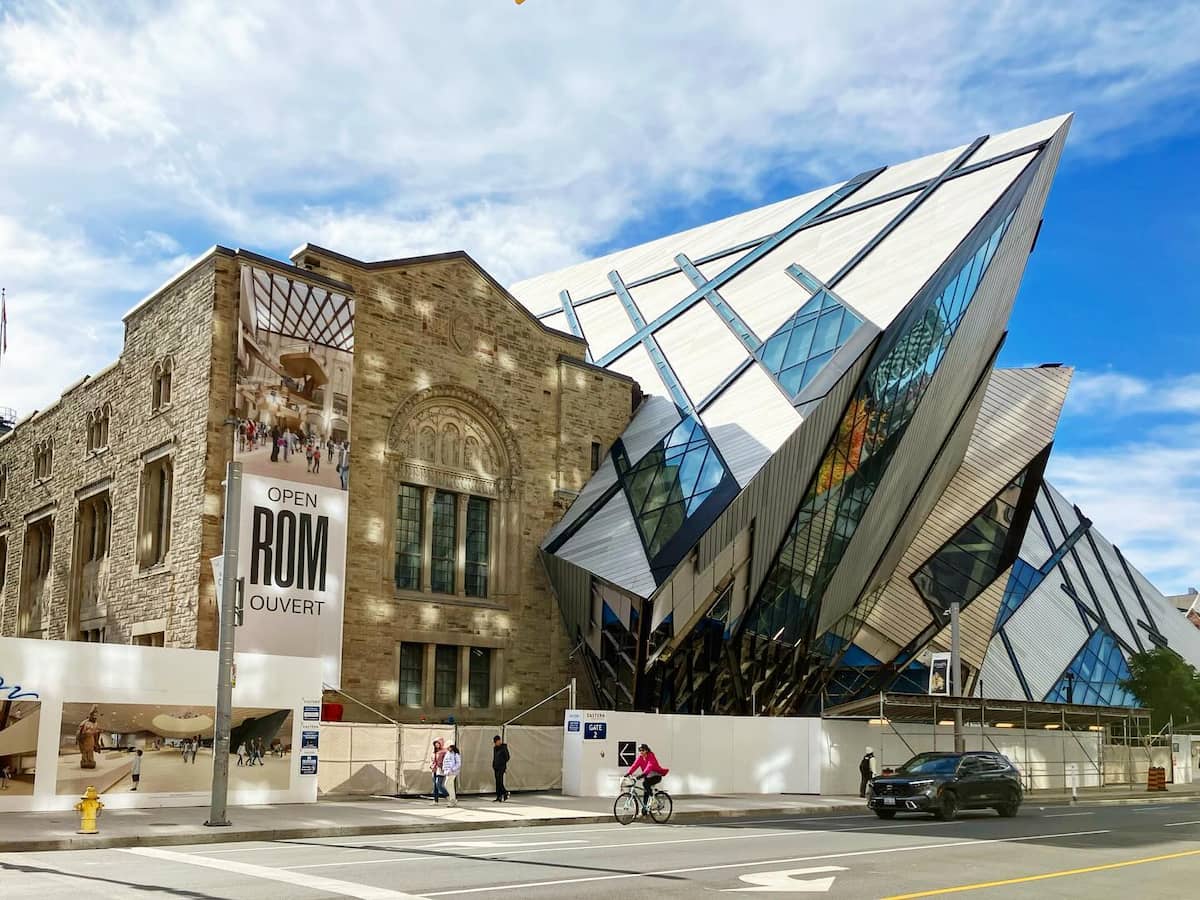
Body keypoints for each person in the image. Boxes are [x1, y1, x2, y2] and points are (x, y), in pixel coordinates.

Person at [625, 743, 669, 813]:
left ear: (646, 750)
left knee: (645, 784)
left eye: (642, 750)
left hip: (656, 776)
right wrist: (628, 773)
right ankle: (644, 808)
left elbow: (650, 766)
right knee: (646, 792)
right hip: (647, 776)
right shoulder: (640, 757)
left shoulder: (651, 756)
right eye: (639, 750)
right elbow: (634, 765)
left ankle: (653, 800)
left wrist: (642, 775)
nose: (641, 752)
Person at [492, 734, 511, 802]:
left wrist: (502, 763)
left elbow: (507, 757)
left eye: (497, 742)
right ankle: (499, 796)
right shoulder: (495, 748)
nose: (496, 743)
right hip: (496, 767)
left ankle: (505, 792)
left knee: (500, 781)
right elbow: (494, 757)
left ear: (499, 741)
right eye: (495, 742)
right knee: (497, 782)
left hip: (501, 767)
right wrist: (493, 764)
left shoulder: (504, 747)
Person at [431, 739, 448, 803]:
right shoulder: (434, 752)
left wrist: (443, 766)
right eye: (435, 743)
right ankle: (435, 801)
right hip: (434, 770)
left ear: (441, 743)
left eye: (438, 743)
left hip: (440, 769)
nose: (436, 745)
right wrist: (431, 765)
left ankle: (448, 796)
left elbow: (446, 760)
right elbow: (432, 760)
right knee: (435, 785)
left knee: (438, 784)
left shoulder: (444, 751)